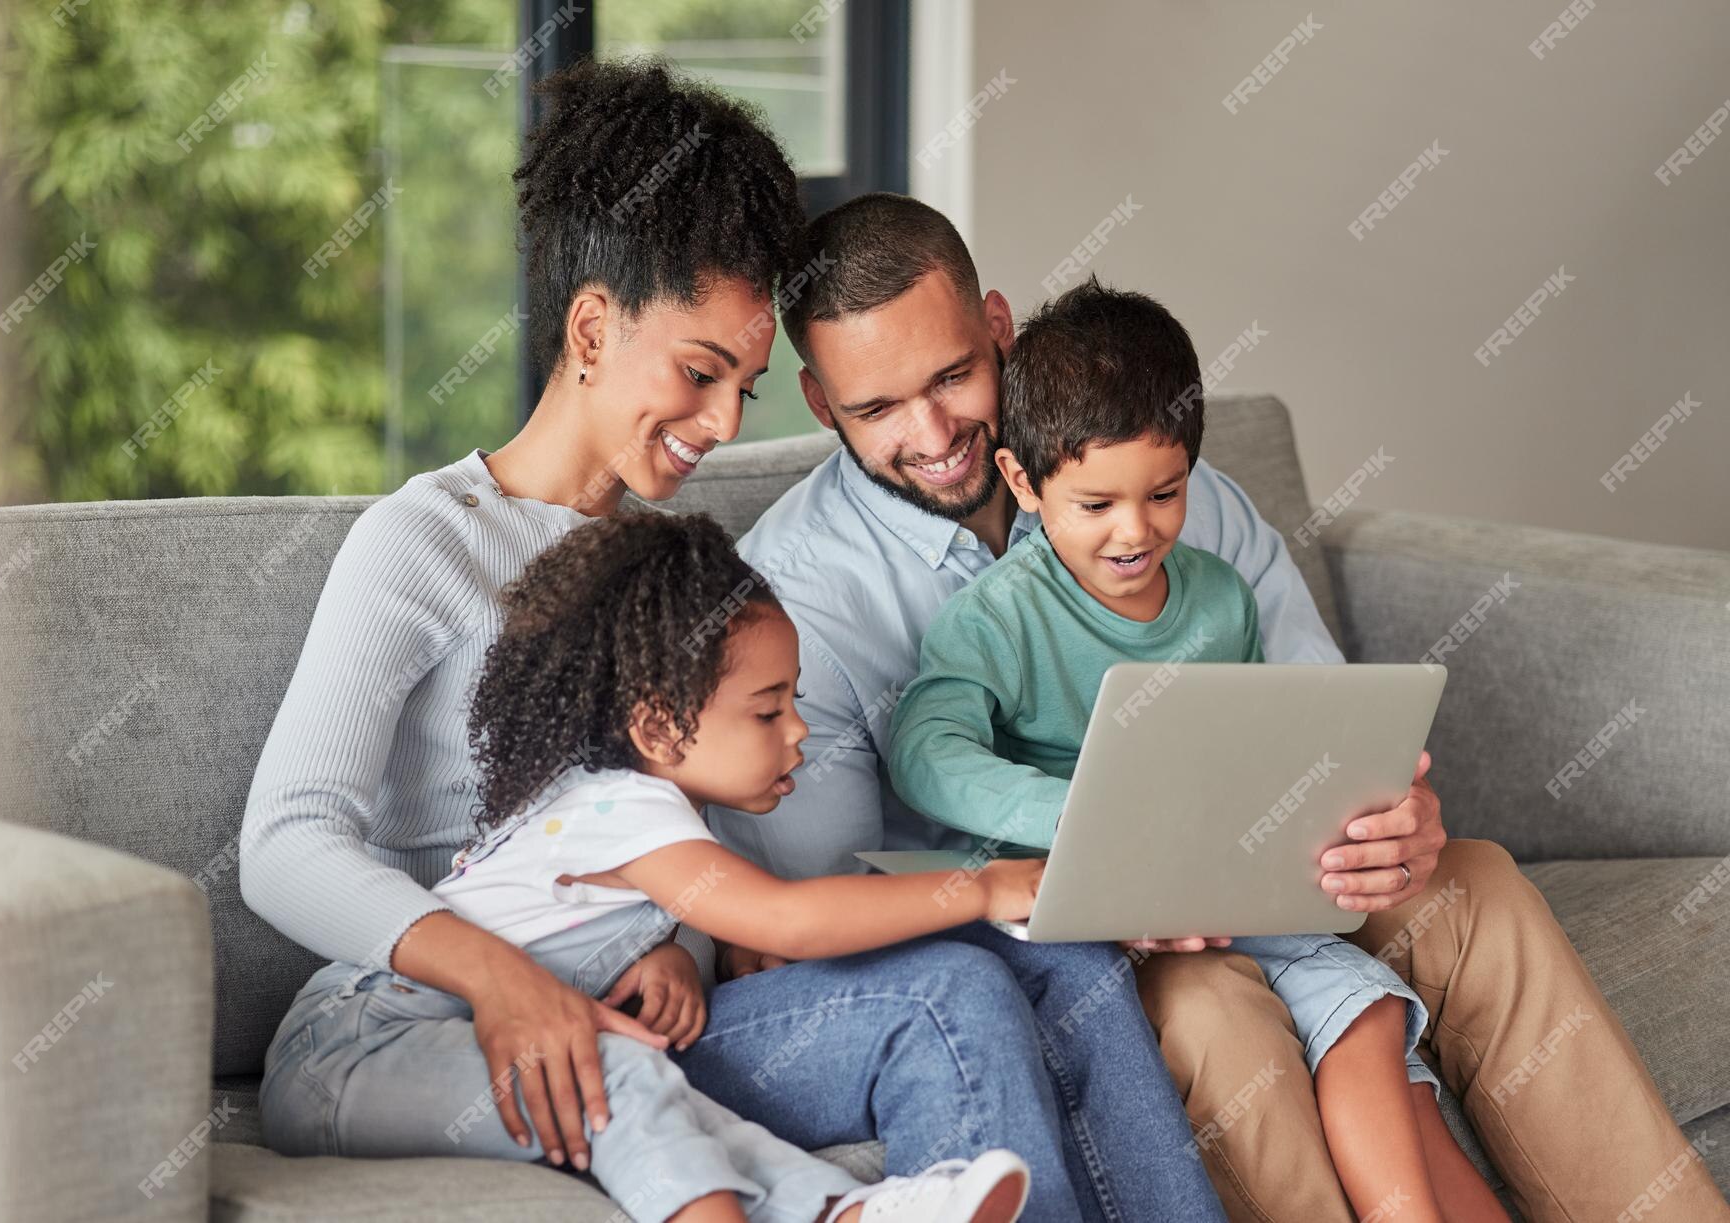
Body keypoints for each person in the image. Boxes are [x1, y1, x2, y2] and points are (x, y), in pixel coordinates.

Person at [242, 59, 1191, 1223]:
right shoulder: (424, 543)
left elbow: (680, 846)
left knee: (1053, 964)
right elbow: (286, 840)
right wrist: (499, 979)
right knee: (947, 987)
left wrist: (680, 953)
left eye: (745, 385)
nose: (724, 423)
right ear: (591, 326)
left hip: (644, 1012)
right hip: (440, 1017)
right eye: (698, 373)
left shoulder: (677, 578)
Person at [721, 189, 1729, 1222]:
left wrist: (1383, 811)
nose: (931, 433)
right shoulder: (791, 597)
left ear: (996, 326)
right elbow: (834, 895)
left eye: (950, 376)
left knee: (1476, 886)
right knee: (1216, 1021)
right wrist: (1102, 866)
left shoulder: (1177, 506)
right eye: (874, 408)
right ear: (815, 399)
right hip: (1067, 937)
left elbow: (1317, 714)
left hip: (1258, 870)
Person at [886, 280, 1508, 1223]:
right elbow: (926, 752)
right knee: (1283, 1035)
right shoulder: (998, 617)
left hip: (1239, 888)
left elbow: (1261, 738)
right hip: (1114, 914)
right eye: (1095, 503)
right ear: (1022, 482)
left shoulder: (1221, 598)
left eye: (1164, 494)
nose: (1135, 531)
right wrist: (1088, 817)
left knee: (1376, 1016)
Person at [276, 510, 1041, 1223]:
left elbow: (604, 922)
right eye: (769, 709)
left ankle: (839, 1209)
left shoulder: (639, 814)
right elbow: (788, 919)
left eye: (795, 701)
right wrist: (980, 886)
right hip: (357, 1047)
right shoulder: (623, 810)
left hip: (410, 1044)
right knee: (616, 1073)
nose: (801, 730)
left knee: (686, 1108)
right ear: (658, 726)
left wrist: (673, 952)